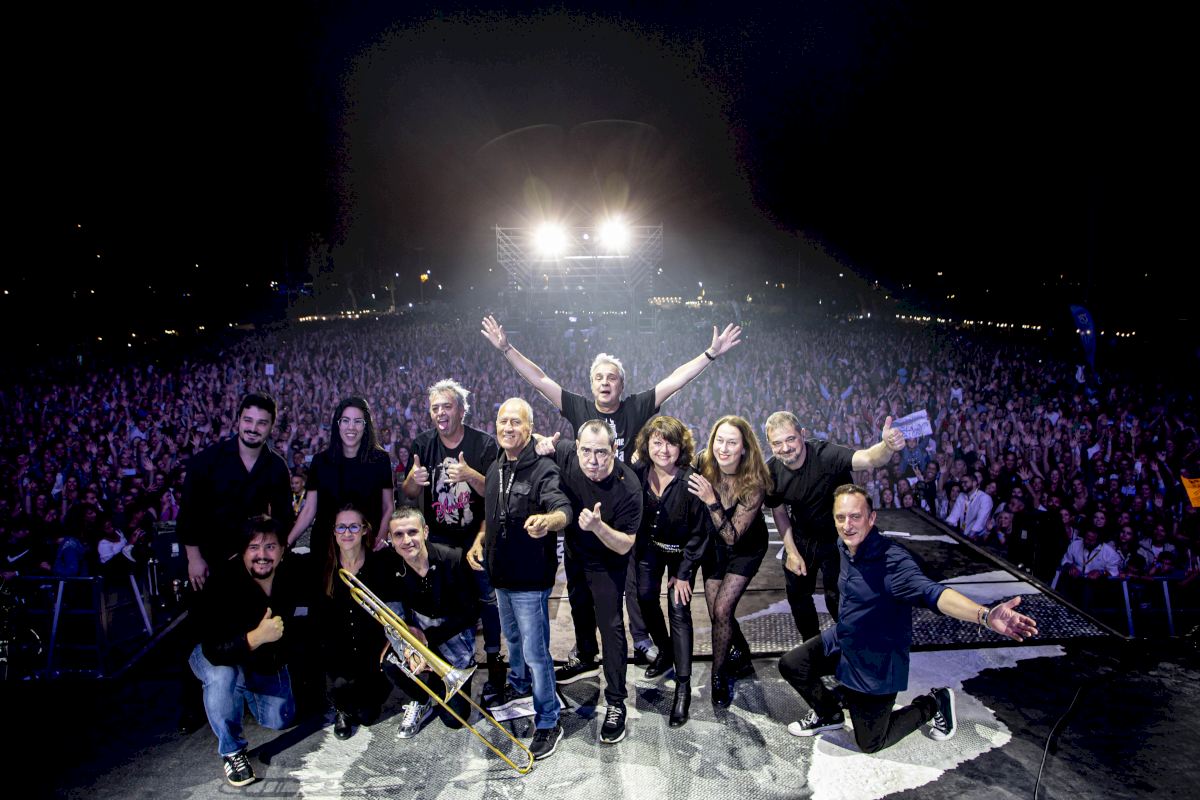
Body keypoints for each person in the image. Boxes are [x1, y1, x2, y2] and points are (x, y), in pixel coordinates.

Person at [481, 314, 741, 664]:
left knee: (634, 586)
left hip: (627, 510)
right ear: (591, 384)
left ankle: (642, 641)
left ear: (621, 384)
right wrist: (506, 349)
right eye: (599, 377)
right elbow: (540, 380)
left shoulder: (635, 407)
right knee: (579, 591)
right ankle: (586, 650)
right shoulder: (580, 408)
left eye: (612, 377)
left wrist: (710, 354)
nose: (605, 382)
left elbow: (675, 381)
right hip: (584, 512)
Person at [778, 485, 1038, 753]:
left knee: (870, 742)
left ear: (871, 518)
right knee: (793, 664)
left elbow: (933, 593)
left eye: (855, 516)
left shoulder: (893, 562)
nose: (847, 525)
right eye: (840, 517)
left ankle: (933, 703)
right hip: (845, 639)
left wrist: (985, 615)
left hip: (877, 662)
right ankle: (829, 714)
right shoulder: (844, 545)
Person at [466, 398, 572, 761]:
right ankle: (518, 684)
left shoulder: (543, 469)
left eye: (516, 422)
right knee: (512, 640)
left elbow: (563, 510)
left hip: (530, 579)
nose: (508, 427)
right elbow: (493, 515)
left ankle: (548, 721)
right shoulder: (496, 465)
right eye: (503, 421)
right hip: (500, 575)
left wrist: (547, 522)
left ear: (530, 429)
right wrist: (480, 540)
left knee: (536, 653)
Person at [764, 411, 906, 643]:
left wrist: (887, 446)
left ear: (803, 434)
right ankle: (813, 646)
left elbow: (869, 458)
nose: (785, 448)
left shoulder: (826, 455)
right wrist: (791, 550)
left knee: (838, 598)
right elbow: (778, 511)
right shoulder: (771, 472)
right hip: (803, 536)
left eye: (790, 439)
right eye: (777, 443)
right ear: (770, 445)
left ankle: (856, 647)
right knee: (798, 596)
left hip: (839, 537)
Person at [542, 420, 642, 744]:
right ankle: (586, 657)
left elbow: (625, 544)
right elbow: (538, 441)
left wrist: (598, 527)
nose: (593, 460)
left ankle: (616, 701)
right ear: (577, 447)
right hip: (575, 553)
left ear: (614, 449)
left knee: (611, 627)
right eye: (586, 451)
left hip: (608, 563)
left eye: (601, 452)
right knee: (579, 607)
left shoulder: (629, 487)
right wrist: (541, 443)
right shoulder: (568, 454)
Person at [399, 379, 503, 693]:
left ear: (461, 410)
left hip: (476, 535)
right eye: (435, 408)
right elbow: (408, 492)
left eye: (447, 406)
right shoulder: (422, 444)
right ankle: (447, 663)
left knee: (487, 598)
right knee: (446, 603)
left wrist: (470, 475)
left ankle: (495, 661)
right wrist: (413, 479)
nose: (441, 413)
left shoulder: (483, 444)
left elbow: (495, 495)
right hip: (439, 542)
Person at [188, 516, 303, 787]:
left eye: (270, 546)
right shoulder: (222, 580)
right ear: (242, 552)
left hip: (261, 659)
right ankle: (232, 751)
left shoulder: (291, 574)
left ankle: (239, 688)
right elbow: (214, 649)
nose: (262, 555)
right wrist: (255, 638)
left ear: (283, 550)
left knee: (280, 719)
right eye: (254, 547)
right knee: (223, 675)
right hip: (214, 654)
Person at [630, 415, 710, 727]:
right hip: (650, 549)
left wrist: (685, 572)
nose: (664, 450)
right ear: (646, 445)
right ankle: (665, 651)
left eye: (671, 443)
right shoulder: (638, 472)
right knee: (645, 598)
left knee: (678, 609)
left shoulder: (691, 480)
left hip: (682, 554)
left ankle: (683, 687)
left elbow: (700, 533)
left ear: (681, 447)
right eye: (657, 442)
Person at [687, 415, 772, 708]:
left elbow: (732, 536)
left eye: (732, 443)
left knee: (723, 609)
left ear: (744, 448)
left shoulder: (754, 483)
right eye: (719, 441)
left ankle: (718, 674)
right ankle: (742, 654)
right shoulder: (703, 462)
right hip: (714, 546)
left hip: (745, 547)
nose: (723, 448)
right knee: (717, 613)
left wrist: (710, 499)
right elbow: (673, 464)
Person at [378, 506, 480, 740]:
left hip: (452, 639)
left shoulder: (453, 558)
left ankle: (435, 680)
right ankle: (421, 698)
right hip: (418, 635)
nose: (407, 540)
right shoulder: (389, 565)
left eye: (412, 532)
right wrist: (408, 646)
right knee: (390, 663)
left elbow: (470, 613)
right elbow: (392, 614)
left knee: (455, 720)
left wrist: (427, 642)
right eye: (398, 535)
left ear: (425, 532)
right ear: (391, 539)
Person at [178, 393, 294, 591]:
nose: (253, 428)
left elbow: (283, 519)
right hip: (210, 563)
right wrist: (194, 558)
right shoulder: (207, 460)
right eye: (248, 420)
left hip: (254, 565)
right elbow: (189, 513)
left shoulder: (277, 467)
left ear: (271, 426)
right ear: (238, 419)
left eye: (262, 423)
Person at [286, 398, 394, 576]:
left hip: (367, 546)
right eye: (345, 420)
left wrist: (381, 537)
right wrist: (287, 542)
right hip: (326, 547)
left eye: (357, 421)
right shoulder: (320, 461)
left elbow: (388, 506)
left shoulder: (380, 459)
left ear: (366, 426)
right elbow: (309, 509)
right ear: (338, 424)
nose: (351, 427)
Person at [317, 506, 391, 741]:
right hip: (338, 654)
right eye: (341, 527)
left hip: (370, 650)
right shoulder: (324, 567)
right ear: (334, 532)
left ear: (364, 530)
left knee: (368, 716)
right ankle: (341, 708)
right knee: (344, 696)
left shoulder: (378, 564)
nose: (347, 533)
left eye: (353, 527)